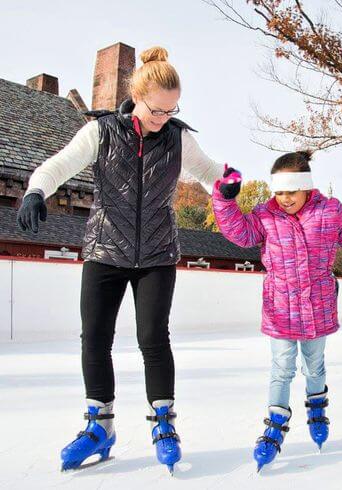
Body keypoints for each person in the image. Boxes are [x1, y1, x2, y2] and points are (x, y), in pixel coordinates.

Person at [16, 46, 231, 474]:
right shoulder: (102, 132)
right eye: (157, 109)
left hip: (157, 253)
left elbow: (212, 172)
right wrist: (36, 191)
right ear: (137, 95)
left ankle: (164, 424)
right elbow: (57, 166)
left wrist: (232, 181)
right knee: (94, 336)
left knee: (153, 337)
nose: (163, 118)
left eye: (172, 110)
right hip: (104, 249)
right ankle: (100, 427)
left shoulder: (177, 137)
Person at [212, 150, 342, 471]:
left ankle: (317, 408)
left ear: (307, 187)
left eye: (291, 191)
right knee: (282, 367)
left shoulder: (330, 212)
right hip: (280, 309)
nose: (284, 198)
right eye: (279, 192)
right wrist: (224, 199)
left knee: (314, 366)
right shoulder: (265, 215)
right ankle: (275, 422)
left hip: (317, 308)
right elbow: (239, 233)